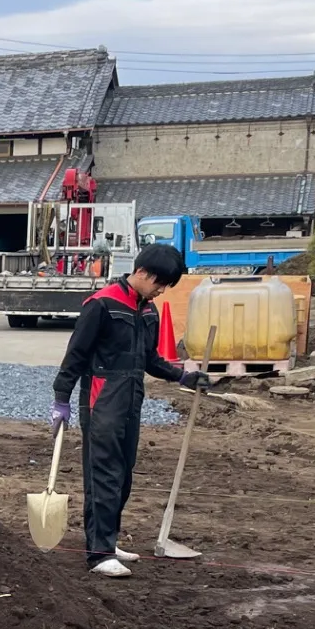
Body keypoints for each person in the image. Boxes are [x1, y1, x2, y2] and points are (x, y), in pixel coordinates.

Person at [49, 243, 208, 578]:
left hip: (131, 398)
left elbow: (150, 360)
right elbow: (74, 356)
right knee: (103, 474)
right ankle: (99, 553)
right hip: (101, 397)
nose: (162, 291)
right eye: (160, 283)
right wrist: (61, 398)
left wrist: (184, 376)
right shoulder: (102, 304)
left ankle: (107, 539)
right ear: (142, 273)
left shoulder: (147, 311)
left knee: (123, 475)